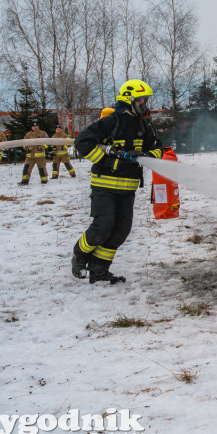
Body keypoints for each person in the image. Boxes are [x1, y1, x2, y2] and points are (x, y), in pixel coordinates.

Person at [71, 79, 163, 284]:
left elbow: (159, 148)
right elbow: (82, 142)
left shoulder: (143, 126)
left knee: (121, 230)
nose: (144, 106)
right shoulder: (111, 122)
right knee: (103, 225)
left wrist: (146, 154)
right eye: (141, 101)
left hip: (128, 189)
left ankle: (99, 270)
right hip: (105, 186)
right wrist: (108, 161)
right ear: (129, 100)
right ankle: (79, 255)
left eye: (145, 101)